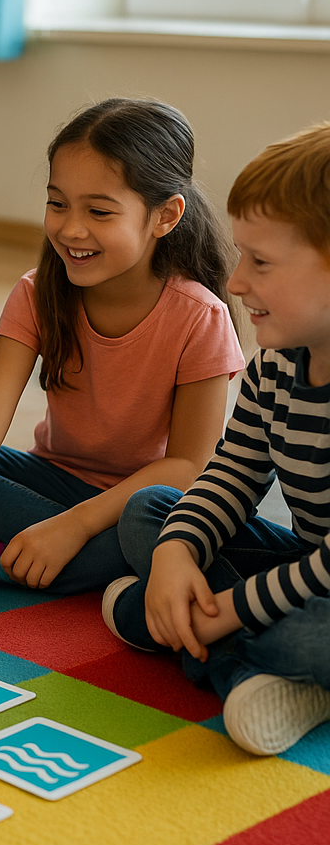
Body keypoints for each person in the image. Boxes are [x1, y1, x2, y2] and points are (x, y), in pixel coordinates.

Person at [0, 97, 244, 594]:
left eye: (99, 210)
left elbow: (188, 466)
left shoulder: (201, 317)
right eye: (57, 203)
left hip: (145, 501)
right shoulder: (37, 292)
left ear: (165, 216)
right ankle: (80, 562)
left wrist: (73, 526)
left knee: (155, 528)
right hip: (53, 477)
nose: (71, 229)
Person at [105, 123, 330, 756]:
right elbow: (231, 476)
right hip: (305, 571)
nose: (234, 281)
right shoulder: (276, 366)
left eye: (260, 262)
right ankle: (248, 662)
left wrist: (229, 609)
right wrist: (177, 553)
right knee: (149, 514)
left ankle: (200, 636)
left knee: (307, 641)